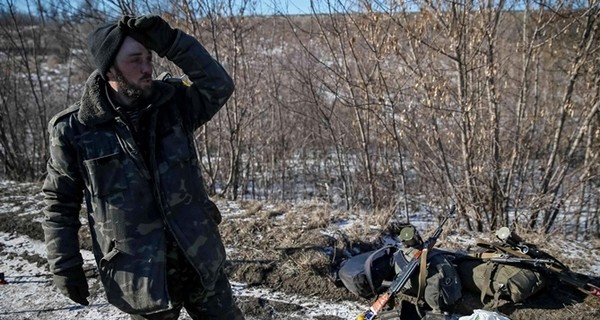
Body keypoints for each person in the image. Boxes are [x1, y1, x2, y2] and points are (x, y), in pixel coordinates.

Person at [42, 15, 244, 319]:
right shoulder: (74, 129)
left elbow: (218, 85)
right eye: (135, 60)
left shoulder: (174, 103)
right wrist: (65, 264)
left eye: (149, 57)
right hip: (139, 275)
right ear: (109, 67)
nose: (147, 67)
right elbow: (59, 203)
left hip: (200, 258)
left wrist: (172, 43)